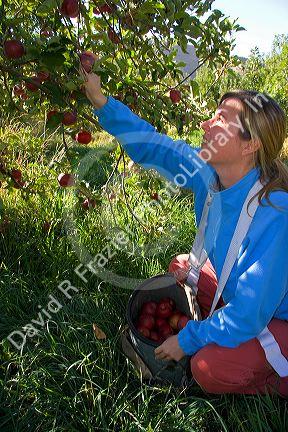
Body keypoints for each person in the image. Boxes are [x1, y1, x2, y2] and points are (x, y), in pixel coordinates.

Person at [80, 63, 288, 397]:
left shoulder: (276, 214)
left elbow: (251, 313)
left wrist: (188, 338)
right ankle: (221, 328)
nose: (206, 123)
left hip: (275, 317)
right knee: (180, 267)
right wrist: (102, 101)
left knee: (206, 368)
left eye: (221, 119)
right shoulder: (209, 171)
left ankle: (275, 375)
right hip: (246, 299)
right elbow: (154, 145)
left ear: (251, 145)